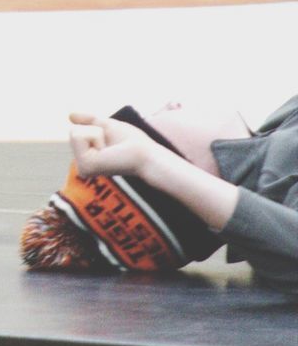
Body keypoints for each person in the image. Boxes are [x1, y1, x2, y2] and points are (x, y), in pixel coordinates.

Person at [20, 98, 298, 293]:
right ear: (183, 166)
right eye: (153, 121)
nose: (171, 104)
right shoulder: (282, 185)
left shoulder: (276, 136)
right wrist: (148, 161)